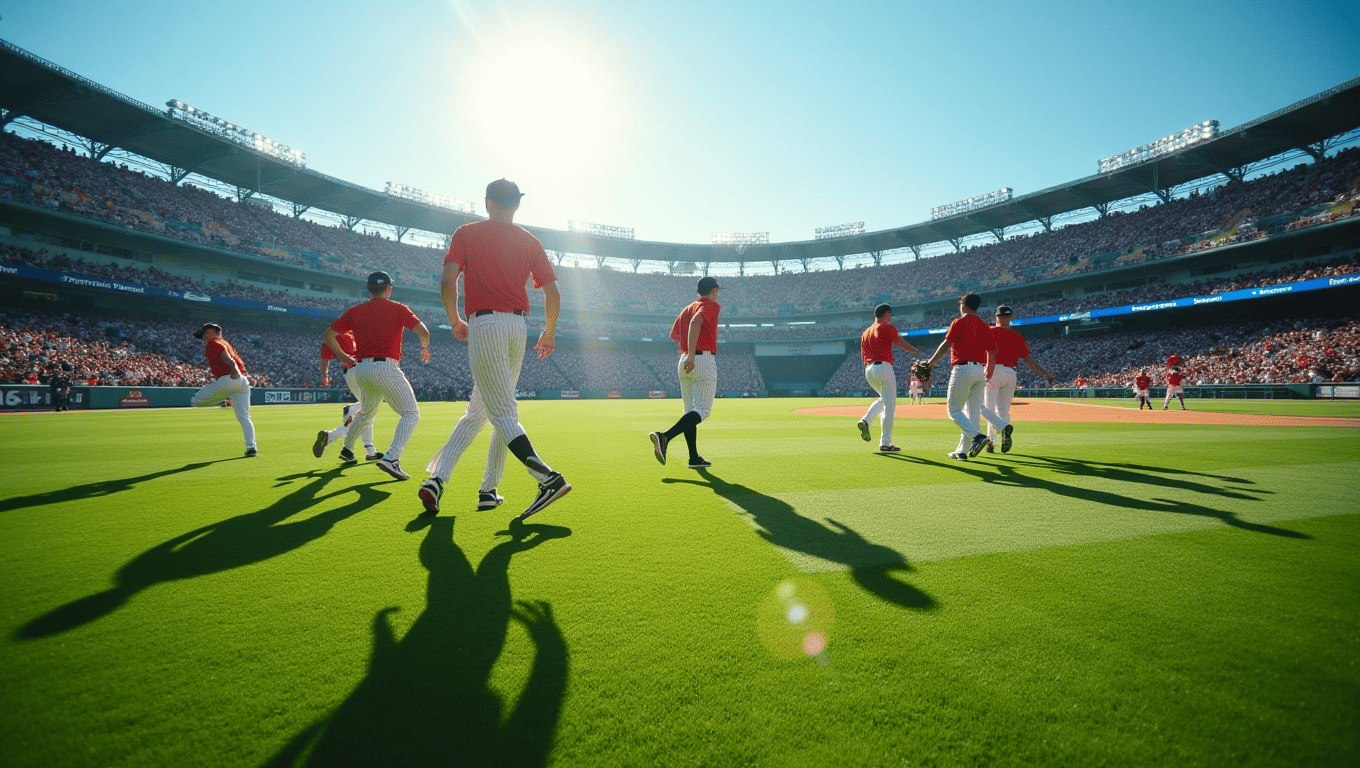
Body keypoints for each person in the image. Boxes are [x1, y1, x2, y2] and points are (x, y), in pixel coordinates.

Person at [420, 179, 572, 519]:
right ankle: (472, 487)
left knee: (502, 412)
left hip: (485, 324)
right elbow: (552, 293)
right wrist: (549, 333)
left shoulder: (466, 233)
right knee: (480, 411)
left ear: (488, 202)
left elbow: (447, 281)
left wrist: (455, 320)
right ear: (517, 204)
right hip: (518, 327)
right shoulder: (531, 241)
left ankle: (548, 478)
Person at [323, 271, 431, 480]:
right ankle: (391, 457)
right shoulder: (399, 308)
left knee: (366, 414)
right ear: (388, 289)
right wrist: (424, 348)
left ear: (369, 289)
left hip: (362, 369)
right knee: (411, 413)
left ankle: (347, 449)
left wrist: (343, 356)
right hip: (386, 367)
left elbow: (328, 335)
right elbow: (424, 332)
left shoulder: (355, 311)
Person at [923, 293, 1007, 461]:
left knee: (953, 410)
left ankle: (978, 437)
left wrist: (931, 362)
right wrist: (989, 371)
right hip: (979, 370)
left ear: (964, 305)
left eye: (960, 304)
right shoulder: (984, 325)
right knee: (973, 414)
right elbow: (993, 351)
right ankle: (962, 451)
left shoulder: (959, 322)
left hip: (963, 369)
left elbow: (947, 344)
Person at [650, 276, 722, 468]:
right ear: (713, 290)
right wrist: (692, 354)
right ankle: (665, 437)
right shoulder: (711, 305)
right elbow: (697, 321)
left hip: (684, 360)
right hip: (699, 358)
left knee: (690, 410)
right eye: (717, 290)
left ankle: (693, 458)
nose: (718, 293)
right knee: (703, 410)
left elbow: (675, 335)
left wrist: (688, 354)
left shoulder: (687, 308)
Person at [983, 305, 1054, 454]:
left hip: (993, 371)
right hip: (1011, 373)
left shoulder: (988, 331)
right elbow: (1028, 360)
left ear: (996, 317)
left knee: (989, 410)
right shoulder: (1017, 336)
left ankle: (991, 442)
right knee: (1004, 410)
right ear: (1010, 317)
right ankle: (1004, 435)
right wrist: (1044, 373)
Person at [855, 303, 923, 452]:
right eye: (890, 314)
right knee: (889, 407)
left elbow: (863, 355)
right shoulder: (887, 327)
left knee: (884, 400)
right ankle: (885, 443)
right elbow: (900, 342)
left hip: (869, 369)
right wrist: (916, 351)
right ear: (886, 314)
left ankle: (866, 420)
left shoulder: (866, 332)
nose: (890, 317)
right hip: (883, 367)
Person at [189, 322, 257, 457]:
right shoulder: (226, 343)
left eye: (204, 335)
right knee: (244, 417)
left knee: (195, 401)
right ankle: (251, 448)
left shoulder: (213, 342)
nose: (203, 338)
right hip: (243, 381)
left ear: (211, 332)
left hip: (229, 379)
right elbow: (236, 360)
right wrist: (241, 374)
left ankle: (224, 399)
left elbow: (228, 358)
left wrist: (234, 369)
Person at [311, 329, 379, 463]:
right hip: (362, 369)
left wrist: (325, 376)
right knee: (369, 409)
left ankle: (367, 450)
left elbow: (324, 359)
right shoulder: (353, 332)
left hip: (349, 373)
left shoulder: (330, 338)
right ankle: (336, 437)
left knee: (367, 409)